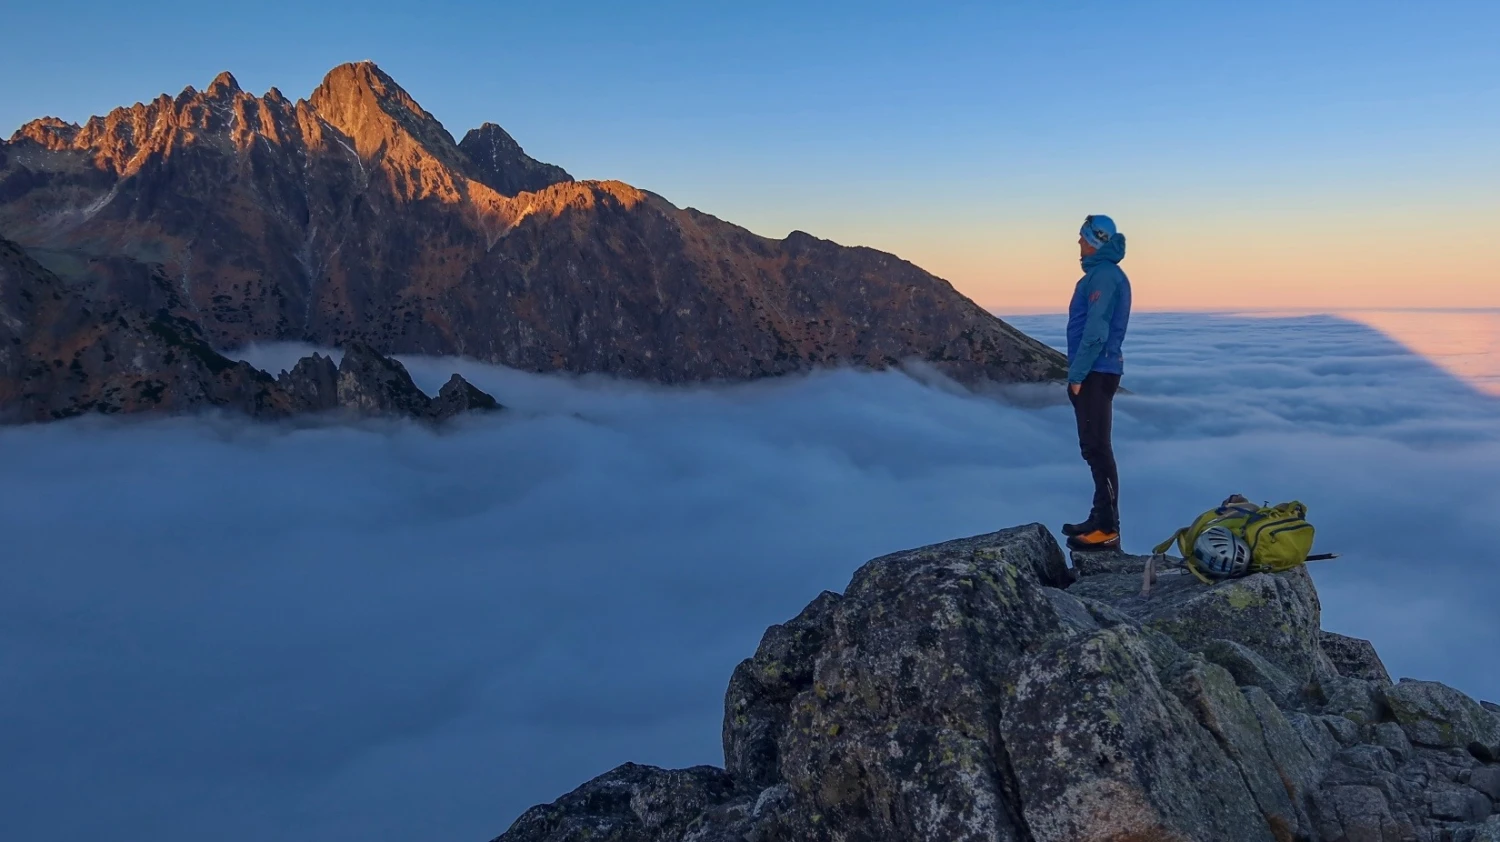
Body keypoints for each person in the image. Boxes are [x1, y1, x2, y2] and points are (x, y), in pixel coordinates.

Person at [1062, 214, 1132, 551]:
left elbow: (1096, 330)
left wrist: (1077, 375)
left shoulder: (1103, 276)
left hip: (1095, 370)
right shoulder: (1103, 275)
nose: (1078, 243)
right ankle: (1099, 516)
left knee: (1097, 449)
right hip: (1099, 369)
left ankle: (1106, 527)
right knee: (1094, 447)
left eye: (1082, 237)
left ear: (1096, 239)